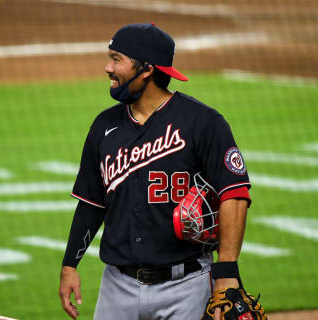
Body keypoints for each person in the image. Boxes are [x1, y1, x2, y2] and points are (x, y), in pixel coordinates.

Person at [59, 22, 251, 320]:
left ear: (146, 69)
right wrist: (70, 265)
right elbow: (91, 203)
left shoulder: (203, 123)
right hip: (117, 287)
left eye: (116, 59)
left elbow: (235, 193)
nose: (107, 68)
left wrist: (227, 271)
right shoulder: (104, 126)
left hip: (186, 286)